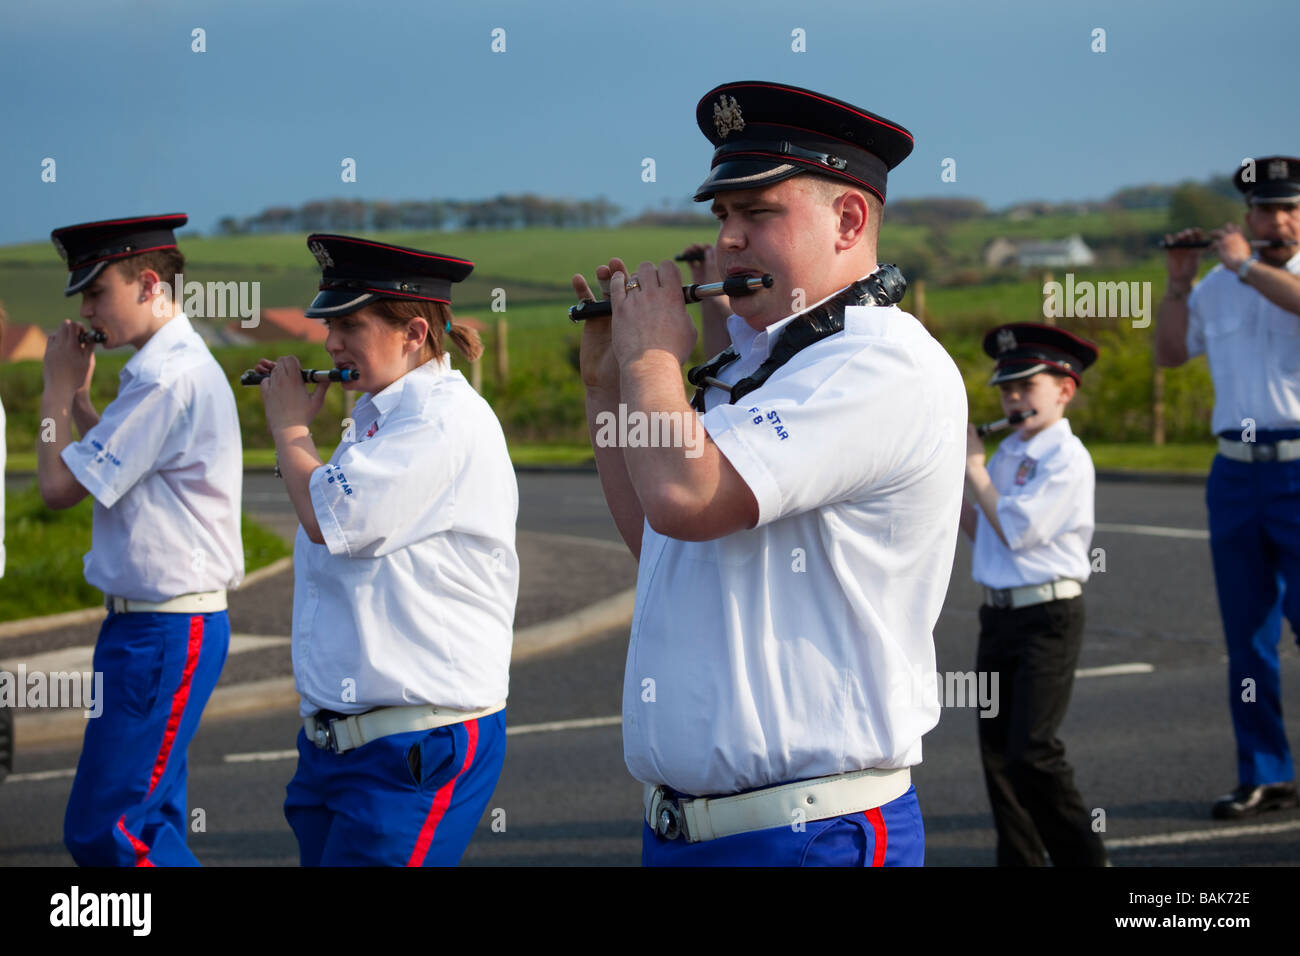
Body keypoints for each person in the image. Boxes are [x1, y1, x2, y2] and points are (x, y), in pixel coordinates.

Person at [572, 80, 967, 866]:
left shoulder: (878, 362)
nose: (728, 242)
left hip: (807, 834)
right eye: (722, 216)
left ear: (849, 220)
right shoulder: (762, 363)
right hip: (695, 833)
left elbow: (688, 497)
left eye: (759, 214)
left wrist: (652, 357)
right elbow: (659, 535)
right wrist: (607, 384)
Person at [257, 233, 518, 867]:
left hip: (415, 744)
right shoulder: (382, 417)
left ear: (414, 334)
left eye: (350, 324)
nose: (330, 343)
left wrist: (291, 428)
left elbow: (328, 515)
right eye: (328, 324)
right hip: (345, 746)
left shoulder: (440, 420)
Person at [38, 213, 243, 865]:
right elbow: (121, 467)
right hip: (159, 628)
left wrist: (55, 391)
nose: (89, 311)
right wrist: (82, 408)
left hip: (161, 631)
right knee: (150, 825)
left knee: (107, 829)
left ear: (148, 284)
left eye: (97, 294)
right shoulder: (165, 370)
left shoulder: (164, 378)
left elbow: (59, 488)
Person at [1155, 156, 1300, 819]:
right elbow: (1170, 353)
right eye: (1267, 211)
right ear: (1246, 217)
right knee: (1247, 638)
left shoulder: (1271, 273)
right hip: (1234, 473)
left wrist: (1246, 265)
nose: (1279, 221)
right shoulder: (1215, 285)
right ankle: (1265, 773)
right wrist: (1180, 284)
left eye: (1290, 209)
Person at [961, 322, 1108, 866]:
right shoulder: (1008, 455)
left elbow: (1019, 529)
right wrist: (949, 475)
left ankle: (1085, 860)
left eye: (1027, 387)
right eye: (1006, 389)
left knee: (1034, 753)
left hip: (1048, 615)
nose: (1013, 399)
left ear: (1065, 390)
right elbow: (990, 533)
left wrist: (974, 468)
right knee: (997, 757)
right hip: (999, 617)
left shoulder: (1065, 459)